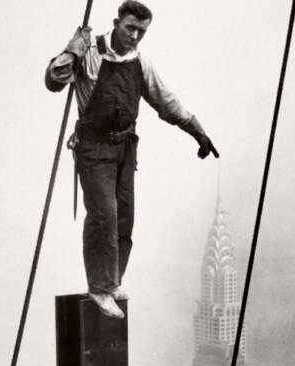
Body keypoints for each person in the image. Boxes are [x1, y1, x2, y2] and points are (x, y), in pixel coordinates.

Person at [45, 1, 218, 319]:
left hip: (125, 149)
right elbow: (54, 82)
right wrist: (72, 52)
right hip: (94, 149)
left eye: (142, 31)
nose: (135, 36)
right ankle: (99, 287)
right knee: (104, 218)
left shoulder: (141, 63)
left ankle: (112, 282)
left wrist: (198, 132)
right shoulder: (91, 52)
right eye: (130, 28)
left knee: (124, 218)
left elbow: (166, 102)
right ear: (116, 23)